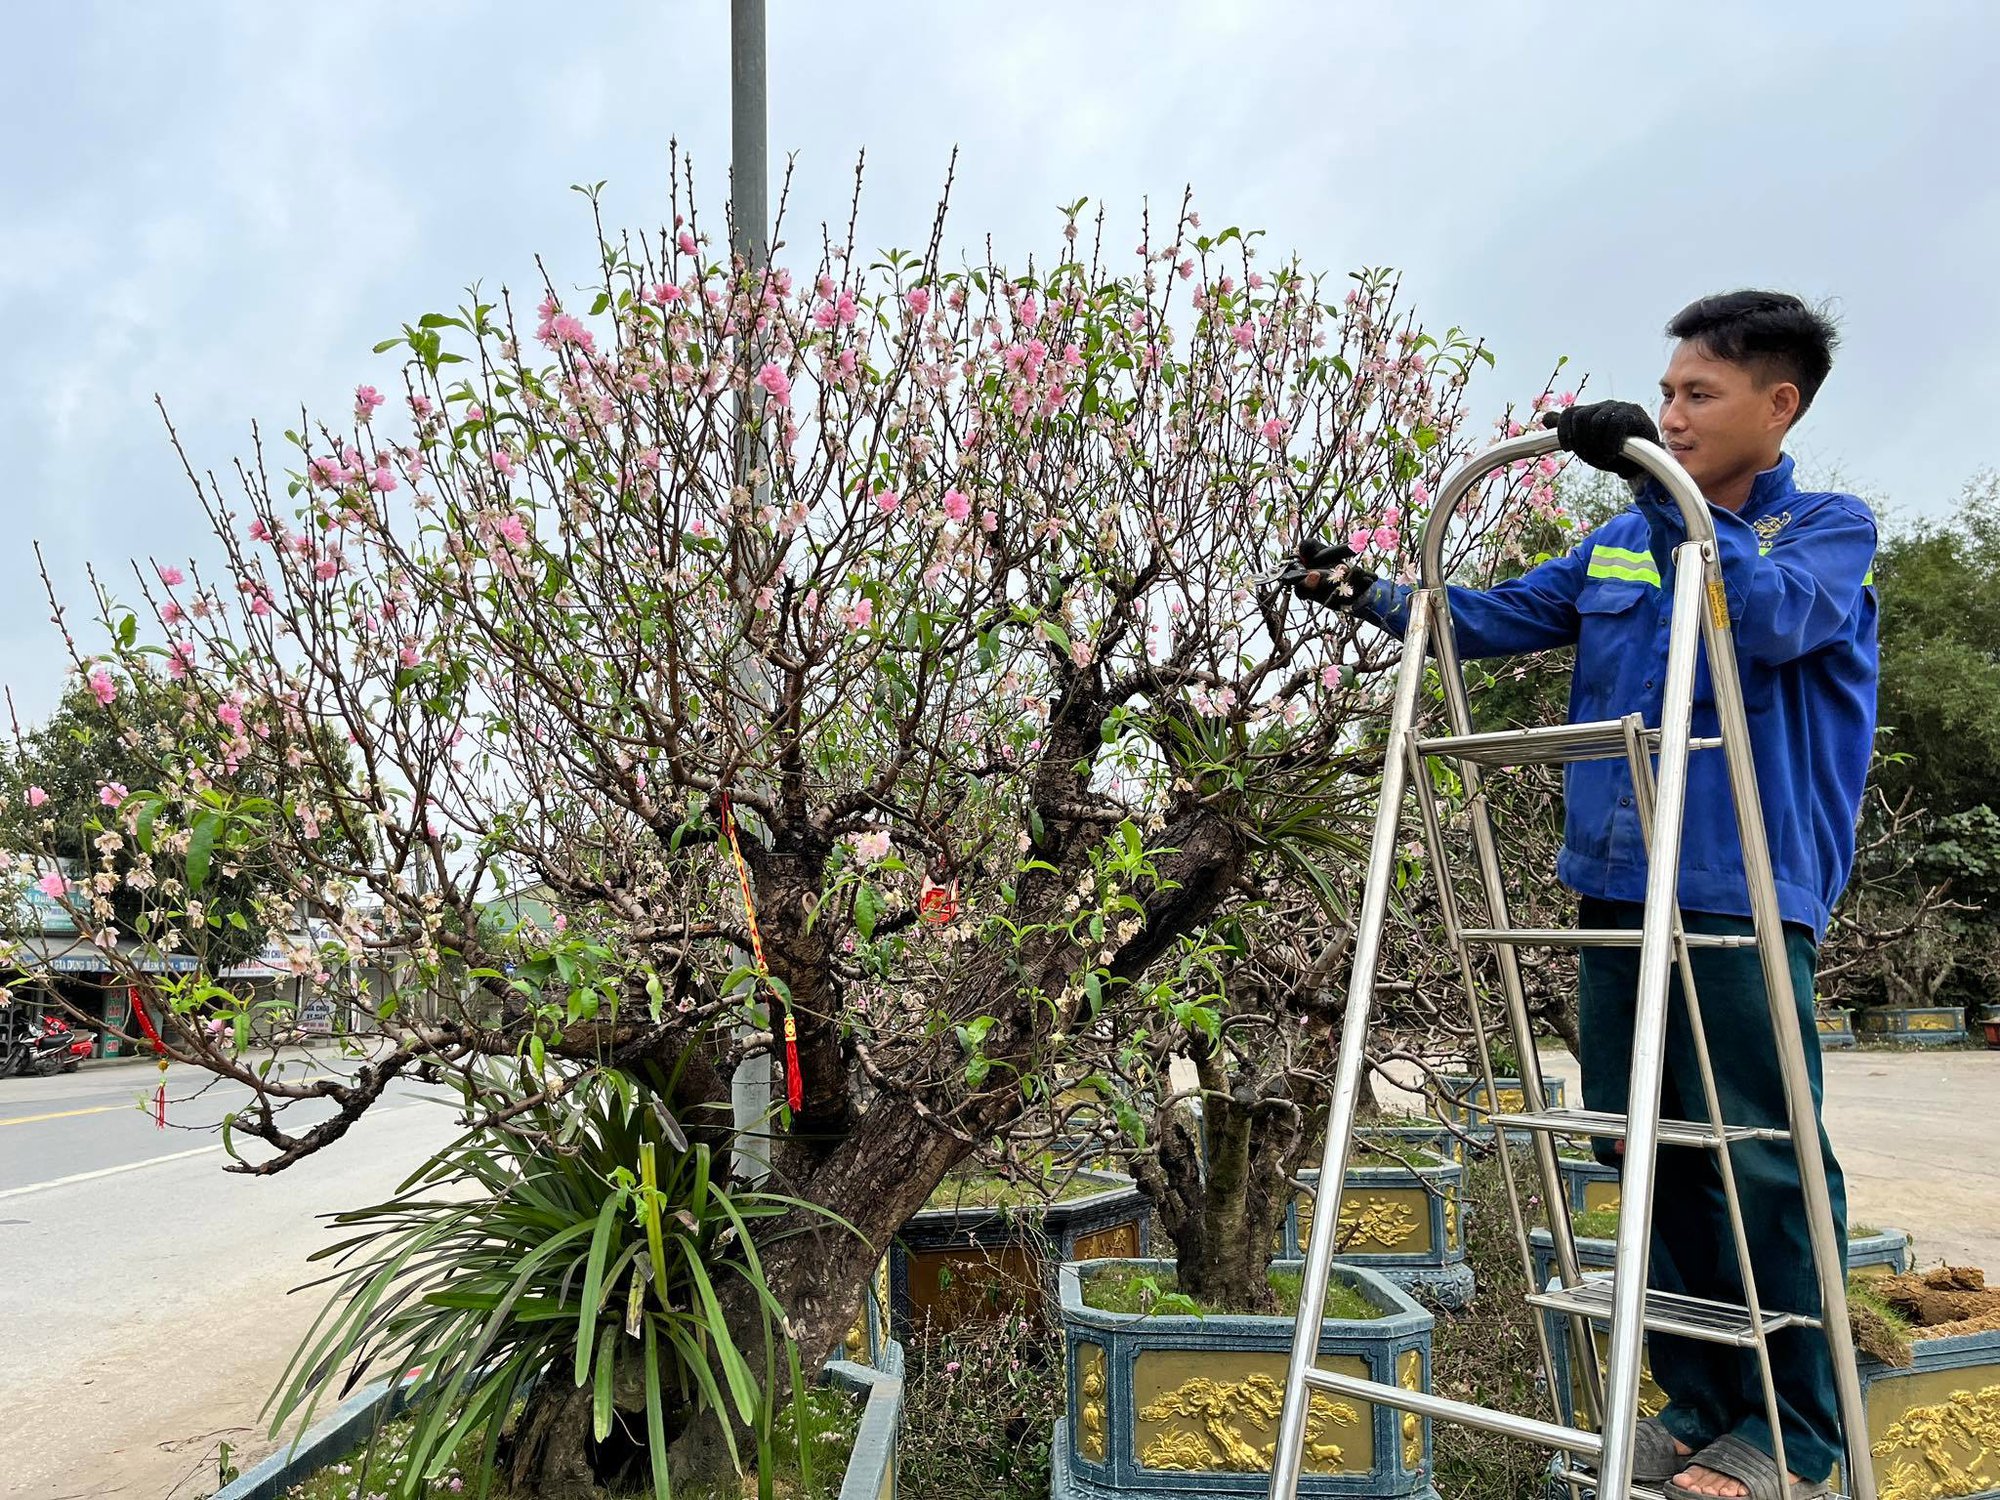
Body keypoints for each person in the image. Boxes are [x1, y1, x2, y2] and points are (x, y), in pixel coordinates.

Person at [1291, 290, 1875, 1500]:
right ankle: (1697, 1395)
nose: (1670, 412)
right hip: (1615, 886)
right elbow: (1491, 620)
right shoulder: (1616, 539)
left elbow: (1757, 624)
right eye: (1664, 394)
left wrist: (1669, 508)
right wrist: (1371, 594)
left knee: (1756, 1156)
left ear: (1779, 404)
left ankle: (1793, 1429)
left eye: (1695, 396)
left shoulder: (1822, 531)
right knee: (1634, 1142)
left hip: (1737, 890)